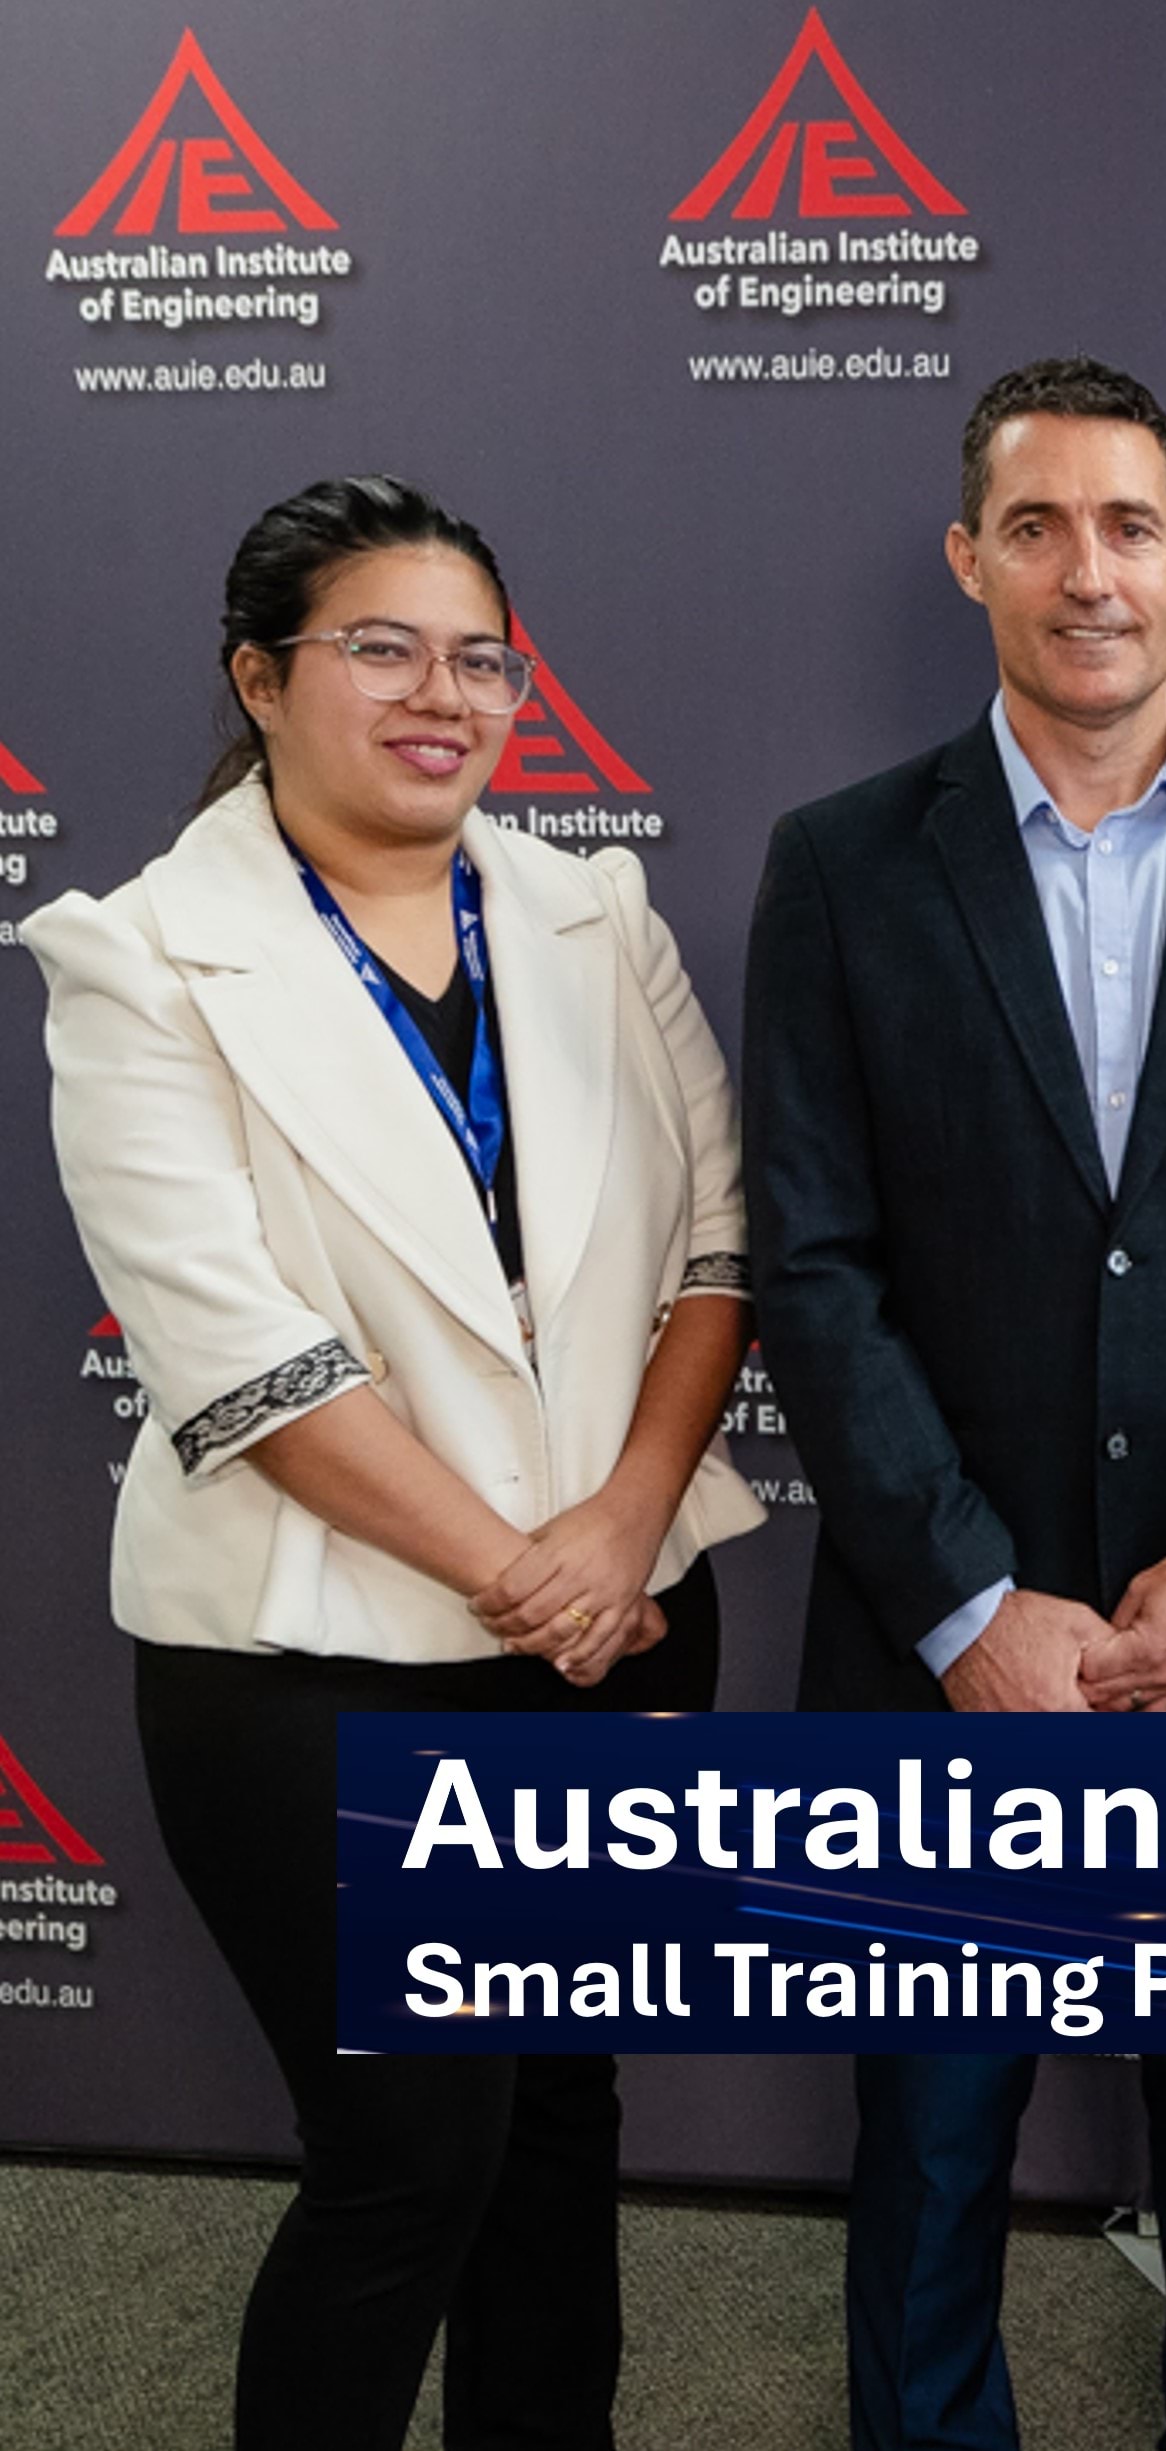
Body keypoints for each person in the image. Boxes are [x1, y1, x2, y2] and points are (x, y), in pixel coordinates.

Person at [25, 474, 760, 2448]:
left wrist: (619, 1533)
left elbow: (719, 1246)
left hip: (622, 1626)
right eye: (381, 648)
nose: (444, 693)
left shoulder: (592, 905)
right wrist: (531, 1574)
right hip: (316, 1668)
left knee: (563, 2126)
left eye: (480, 659)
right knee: (410, 2152)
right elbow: (246, 1358)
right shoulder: (140, 957)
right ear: (260, 677)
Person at [740, 357, 1166, 2451]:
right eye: (1036, 527)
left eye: (1129, 527)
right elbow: (816, 1261)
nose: (1087, 572)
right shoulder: (847, 864)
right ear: (971, 560)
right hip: (948, 1643)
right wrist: (968, 1600)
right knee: (934, 2128)